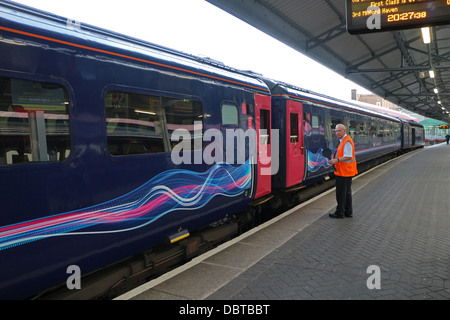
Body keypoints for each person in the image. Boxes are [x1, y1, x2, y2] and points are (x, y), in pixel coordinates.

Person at [328, 124, 358, 218]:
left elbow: (348, 156)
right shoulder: (343, 141)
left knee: (341, 194)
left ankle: (340, 212)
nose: (337, 133)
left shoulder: (347, 141)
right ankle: (348, 212)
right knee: (347, 193)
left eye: (339, 131)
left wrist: (336, 160)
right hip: (344, 171)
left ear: (344, 131)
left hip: (344, 172)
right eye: (336, 131)